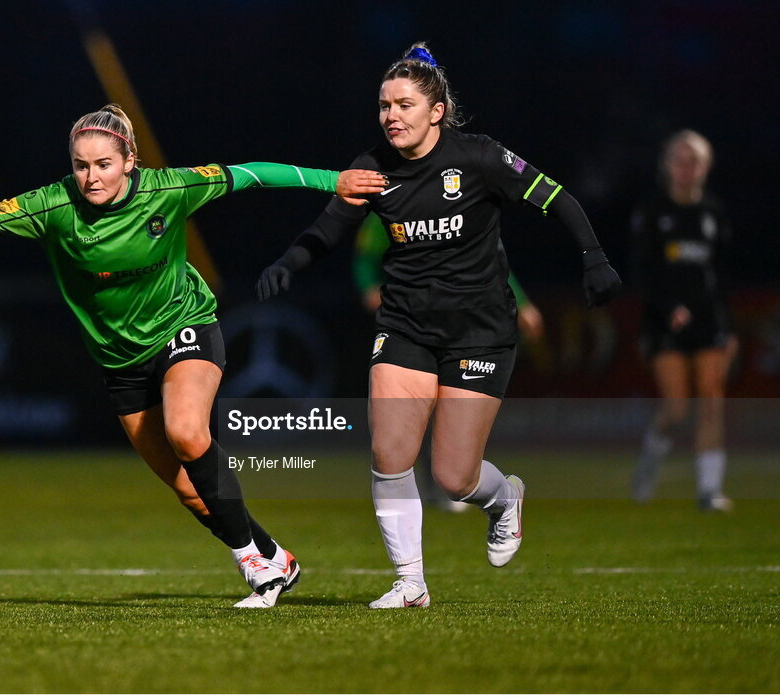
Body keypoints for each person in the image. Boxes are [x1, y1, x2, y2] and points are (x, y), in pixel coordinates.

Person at [0, 104, 387, 608]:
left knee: (186, 431)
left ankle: (255, 568)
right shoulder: (52, 205)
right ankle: (274, 557)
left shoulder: (169, 188)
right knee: (190, 491)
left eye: (104, 164)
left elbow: (252, 175)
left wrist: (334, 181)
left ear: (129, 159)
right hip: (120, 362)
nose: (92, 177)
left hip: (185, 326)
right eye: (81, 165)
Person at [257, 44, 620, 608]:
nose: (391, 116)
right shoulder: (373, 168)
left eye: (404, 104)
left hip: (480, 331)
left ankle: (505, 500)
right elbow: (329, 229)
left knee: (454, 476)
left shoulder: (478, 158)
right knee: (390, 451)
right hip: (405, 326)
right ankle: (410, 584)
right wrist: (289, 262)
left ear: (437, 111)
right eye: (384, 105)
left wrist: (594, 258)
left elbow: (557, 198)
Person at [353, 215, 545, 512]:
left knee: (451, 409)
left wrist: (522, 303)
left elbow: (491, 263)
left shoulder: (465, 199)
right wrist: (370, 287)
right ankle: (427, 486)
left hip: (465, 322)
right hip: (408, 321)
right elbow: (366, 255)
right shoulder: (392, 201)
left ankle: (458, 483)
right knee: (414, 409)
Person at [630, 129, 736, 511]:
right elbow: (643, 272)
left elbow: (721, 274)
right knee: (676, 409)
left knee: (710, 399)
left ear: (705, 167)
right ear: (667, 166)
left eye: (694, 161)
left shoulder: (713, 213)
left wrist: (729, 326)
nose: (686, 168)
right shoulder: (653, 213)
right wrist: (668, 306)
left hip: (709, 321)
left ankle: (710, 490)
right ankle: (650, 461)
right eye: (679, 159)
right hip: (664, 323)